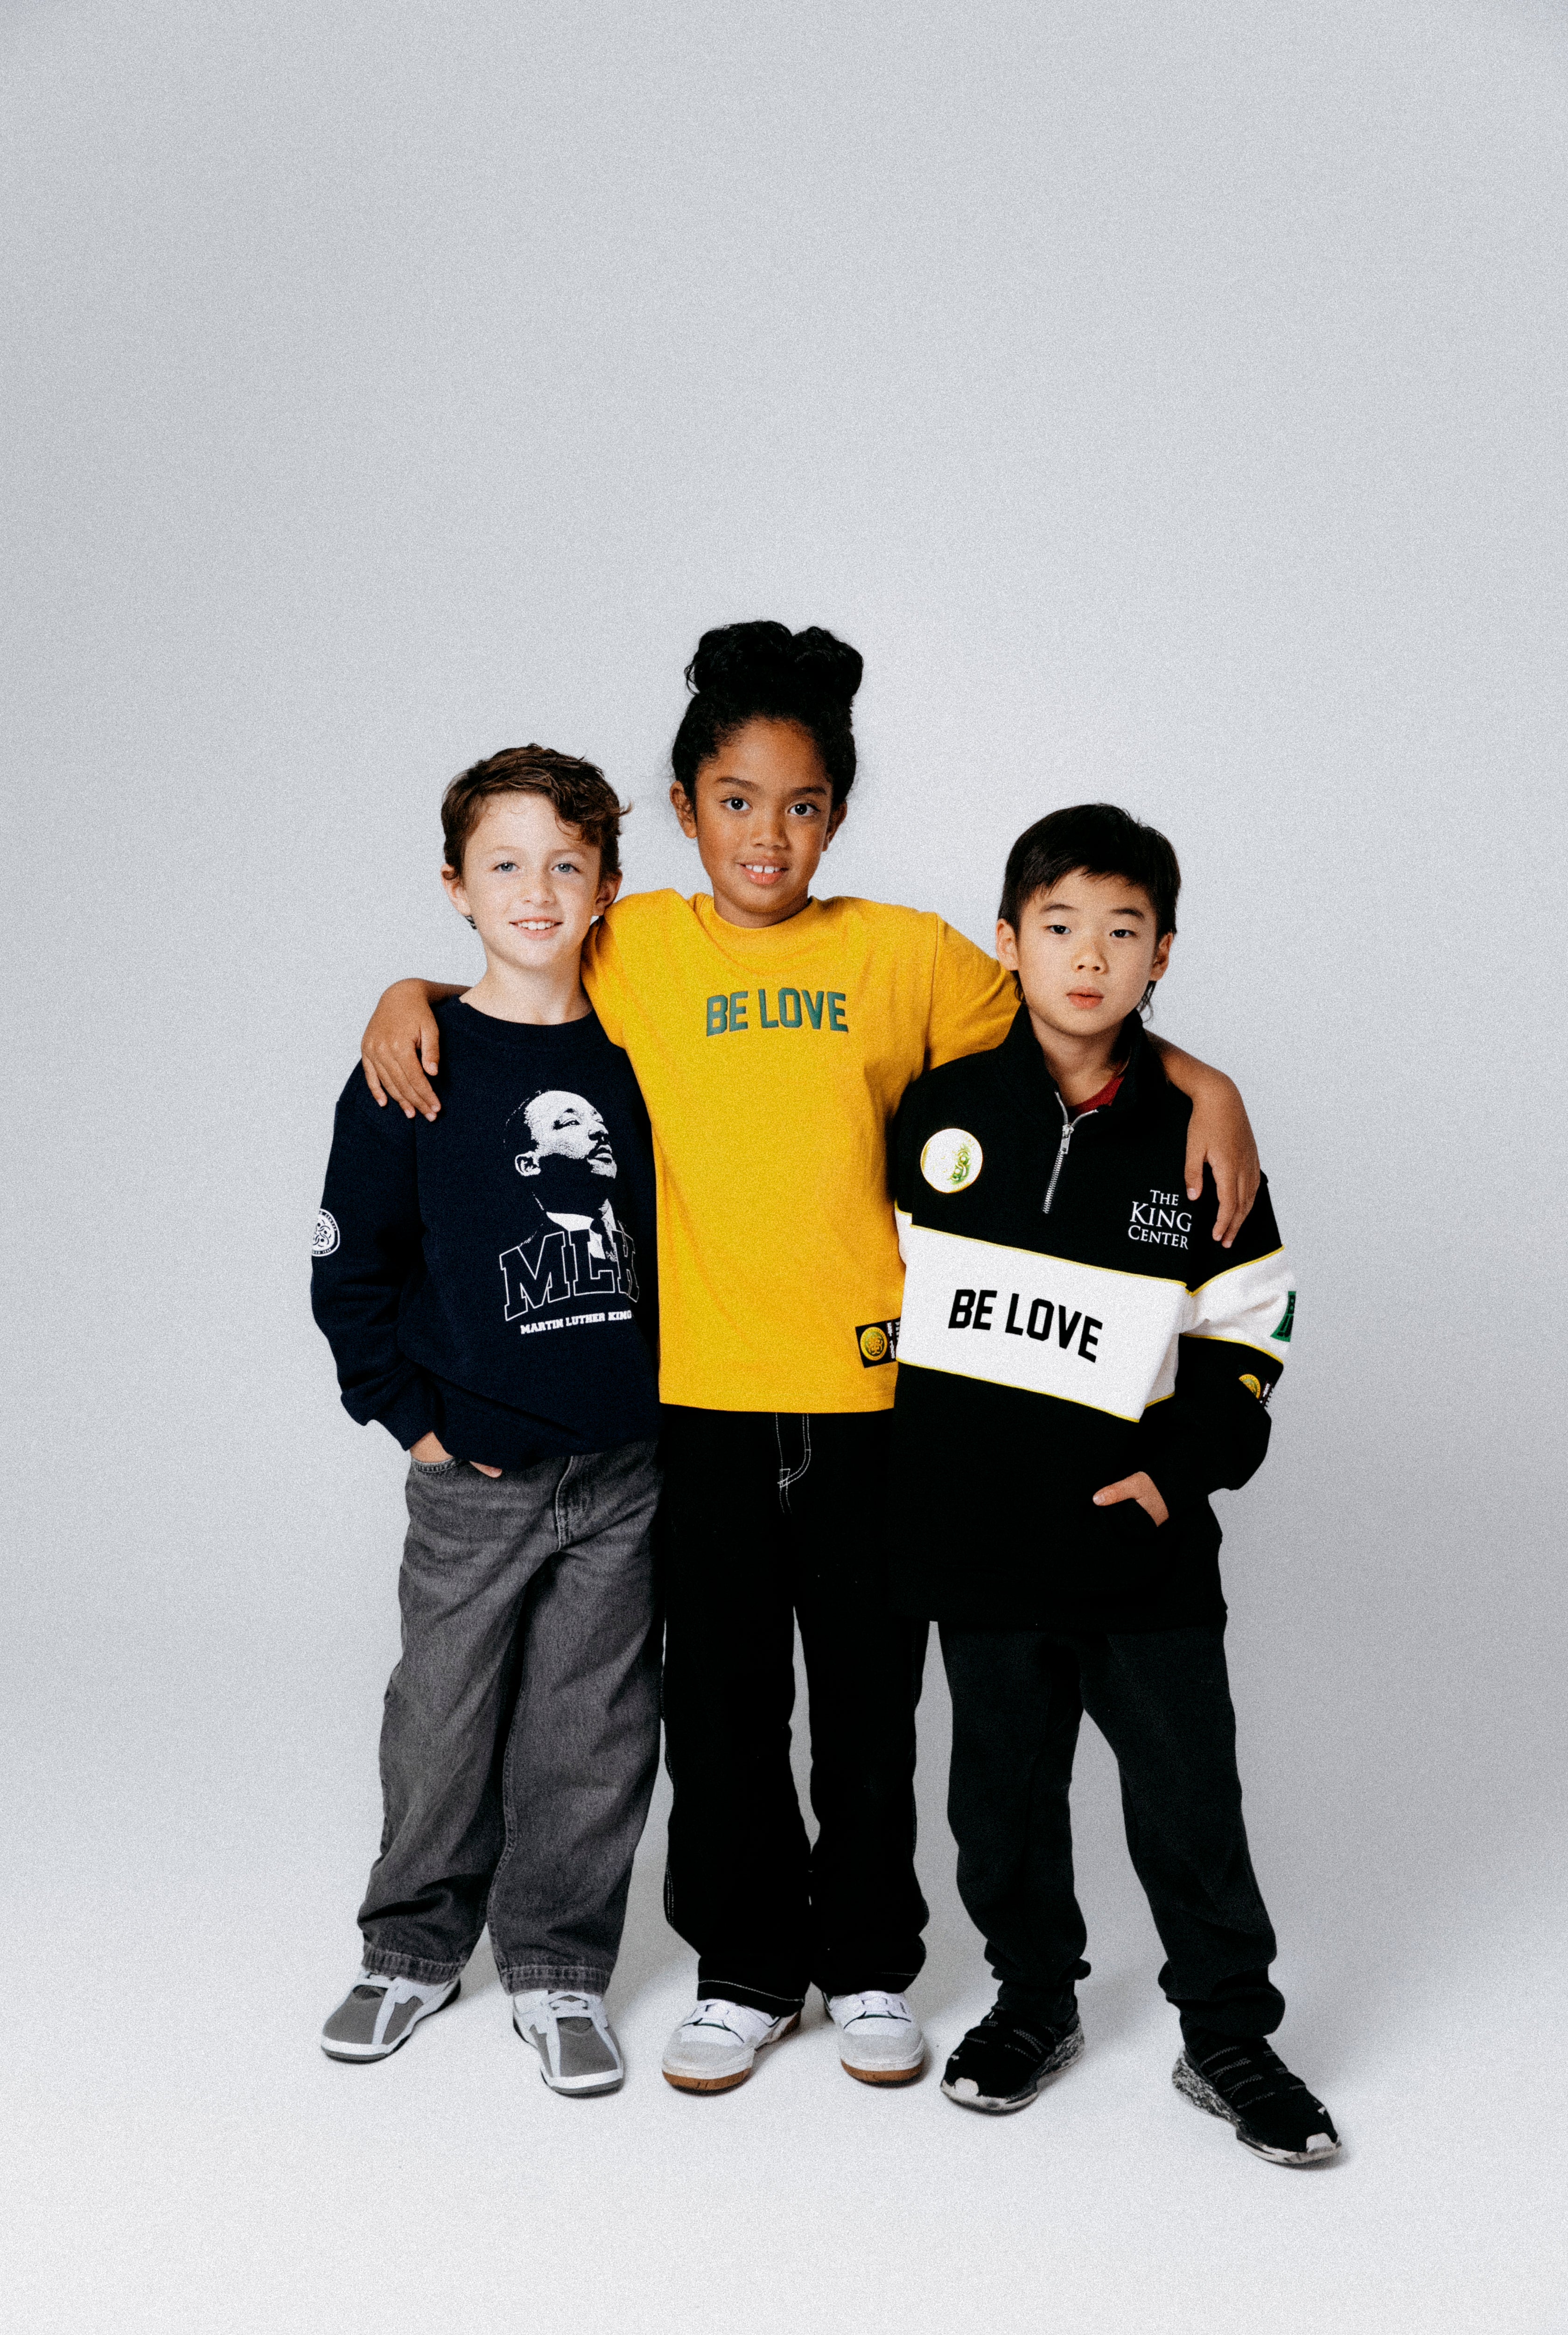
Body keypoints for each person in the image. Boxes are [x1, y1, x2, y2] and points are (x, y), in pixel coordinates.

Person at [358, 624, 1264, 2097]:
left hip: (875, 1411)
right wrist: (405, 995)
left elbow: (1071, 1013)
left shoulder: (901, 955)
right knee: (719, 1710)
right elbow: (510, 967)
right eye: (733, 801)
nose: (766, 836)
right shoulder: (637, 943)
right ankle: (743, 1968)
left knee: (865, 1709)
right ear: (681, 808)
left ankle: (869, 1962)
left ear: (836, 812)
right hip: (701, 1407)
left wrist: (1199, 1077)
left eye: (800, 805)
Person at [888, 802, 1339, 2164]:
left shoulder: (1200, 1136)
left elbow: (1253, 1331)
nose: (1089, 956)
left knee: (1190, 1804)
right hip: (983, 1551)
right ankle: (1034, 2002)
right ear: (1009, 941)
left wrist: (1176, 1473)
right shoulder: (940, 1110)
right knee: (997, 1808)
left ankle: (1229, 2033)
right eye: (1061, 925)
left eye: (1123, 931)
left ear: (1162, 956)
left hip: (1141, 1554)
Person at [312, 746, 662, 2096]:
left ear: (609, 886)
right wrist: (411, 1421)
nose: (538, 890)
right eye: (506, 864)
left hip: (626, 1468)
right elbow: (351, 1267)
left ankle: (560, 1967)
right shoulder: (414, 1060)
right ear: (455, 886)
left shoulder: (642, 1054)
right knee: (442, 1720)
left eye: (568, 864)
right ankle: (409, 1948)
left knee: (594, 1732)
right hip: (477, 1475)